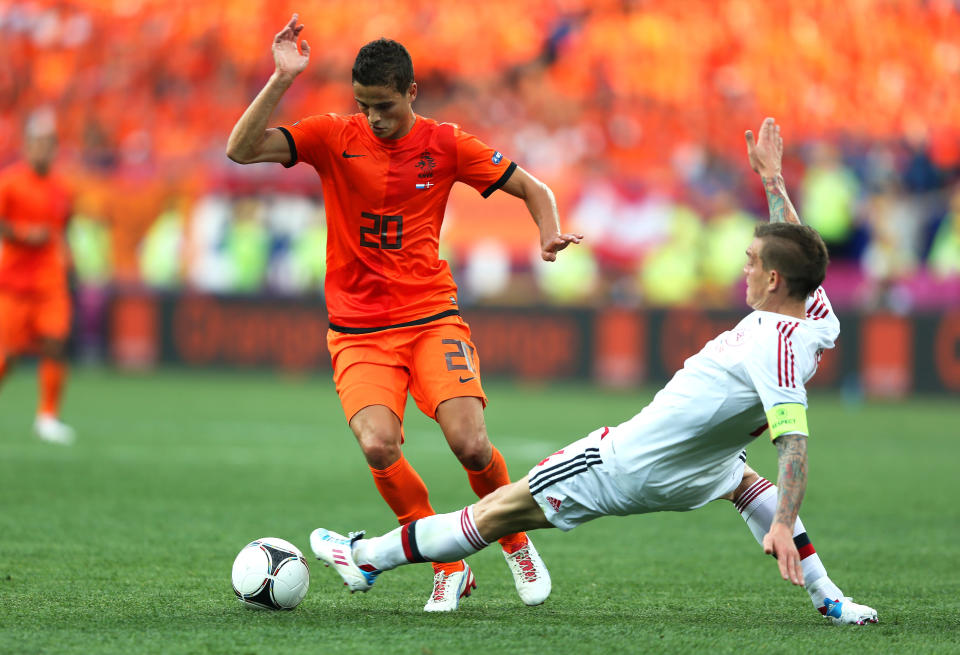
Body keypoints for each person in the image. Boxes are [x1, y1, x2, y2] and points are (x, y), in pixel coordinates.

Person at [310, 118, 879, 626]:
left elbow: (794, 441)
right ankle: (831, 600)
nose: (744, 267)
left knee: (489, 514)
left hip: (626, 463)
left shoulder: (773, 348)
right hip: (704, 463)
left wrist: (786, 519)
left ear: (775, 281)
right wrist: (774, 180)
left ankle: (363, 557)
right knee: (746, 485)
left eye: (752, 263)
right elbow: (796, 250)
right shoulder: (815, 313)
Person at [226, 15, 582, 611]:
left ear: (411, 93)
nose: (374, 118)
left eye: (385, 105)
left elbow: (533, 188)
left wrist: (547, 234)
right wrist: (282, 79)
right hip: (358, 330)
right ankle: (447, 563)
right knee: (377, 446)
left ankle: (515, 542)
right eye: (364, 105)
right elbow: (240, 150)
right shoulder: (331, 136)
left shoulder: (445, 144)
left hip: (429, 317)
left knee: (470, 444)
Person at [0, 109, 76, 445]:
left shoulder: (62, 188)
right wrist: (20, 233)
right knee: (6, 356)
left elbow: (64, 229)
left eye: (49, 143)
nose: (43, 149)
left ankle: (47, 417)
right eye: (37, 143)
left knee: (56, 343)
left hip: (49, 282)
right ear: (26, 145)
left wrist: (70, 261)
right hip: (14, 284)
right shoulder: (9, 182)